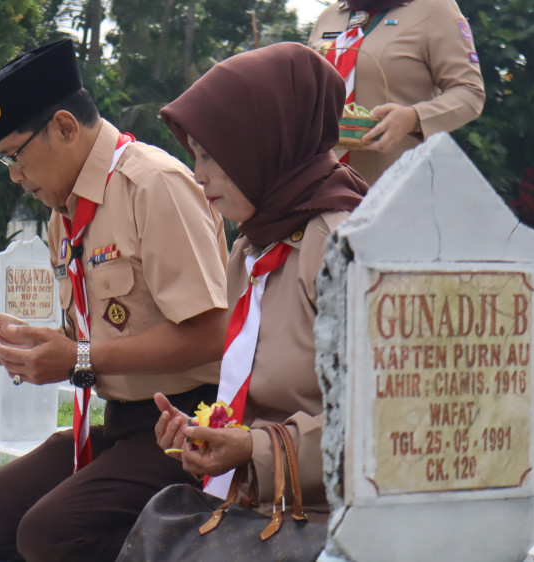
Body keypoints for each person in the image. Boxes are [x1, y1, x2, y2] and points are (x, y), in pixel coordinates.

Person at [0, 38, 229, 561]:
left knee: (50, 536)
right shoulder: (66, 209)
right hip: (123, 424)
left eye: (16, 154)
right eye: (2, 158)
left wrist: (78, 357)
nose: (13, 175)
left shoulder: (154, 184)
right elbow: (103, 333)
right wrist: (41, 344)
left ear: (64, 126)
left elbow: (213, 331)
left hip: (189, 425)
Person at [132, 41, 369, 553]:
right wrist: (209, 434)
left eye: (211, 155)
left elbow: (383, 420)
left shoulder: (342, 246)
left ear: (267, 144)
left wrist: (253, 448)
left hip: (333, 520)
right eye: (195, 155)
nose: (198, 176)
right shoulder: (252, 246)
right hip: (260, 505)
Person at [308, 0, 485, 184]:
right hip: (321, 188)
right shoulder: (331, 16)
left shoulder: (434, 8)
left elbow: (470, 92)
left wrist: (414, 118)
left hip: (398, 189)